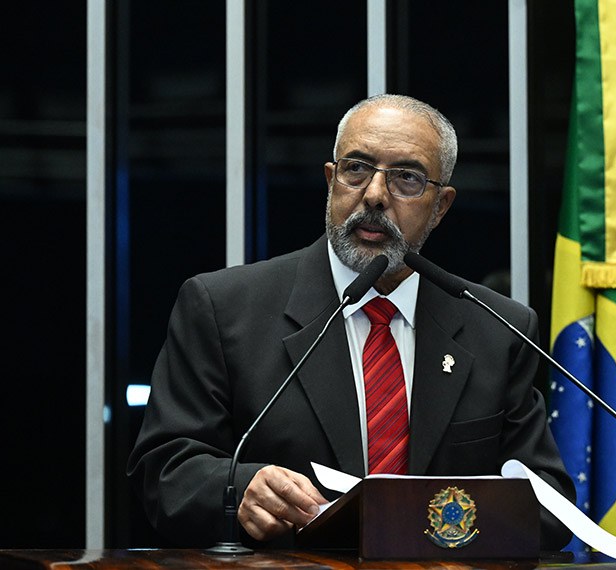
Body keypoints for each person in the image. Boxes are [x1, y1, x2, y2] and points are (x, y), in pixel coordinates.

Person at [127, 94, 576, 550]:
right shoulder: (224, 308)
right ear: (331, 180)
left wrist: (450, 515)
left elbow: (550, 504)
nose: (375, 195)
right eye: (356, 168)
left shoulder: (498, 328)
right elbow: (164, 471)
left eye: (406, 178)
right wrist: (240, 488)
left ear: (440, 206)